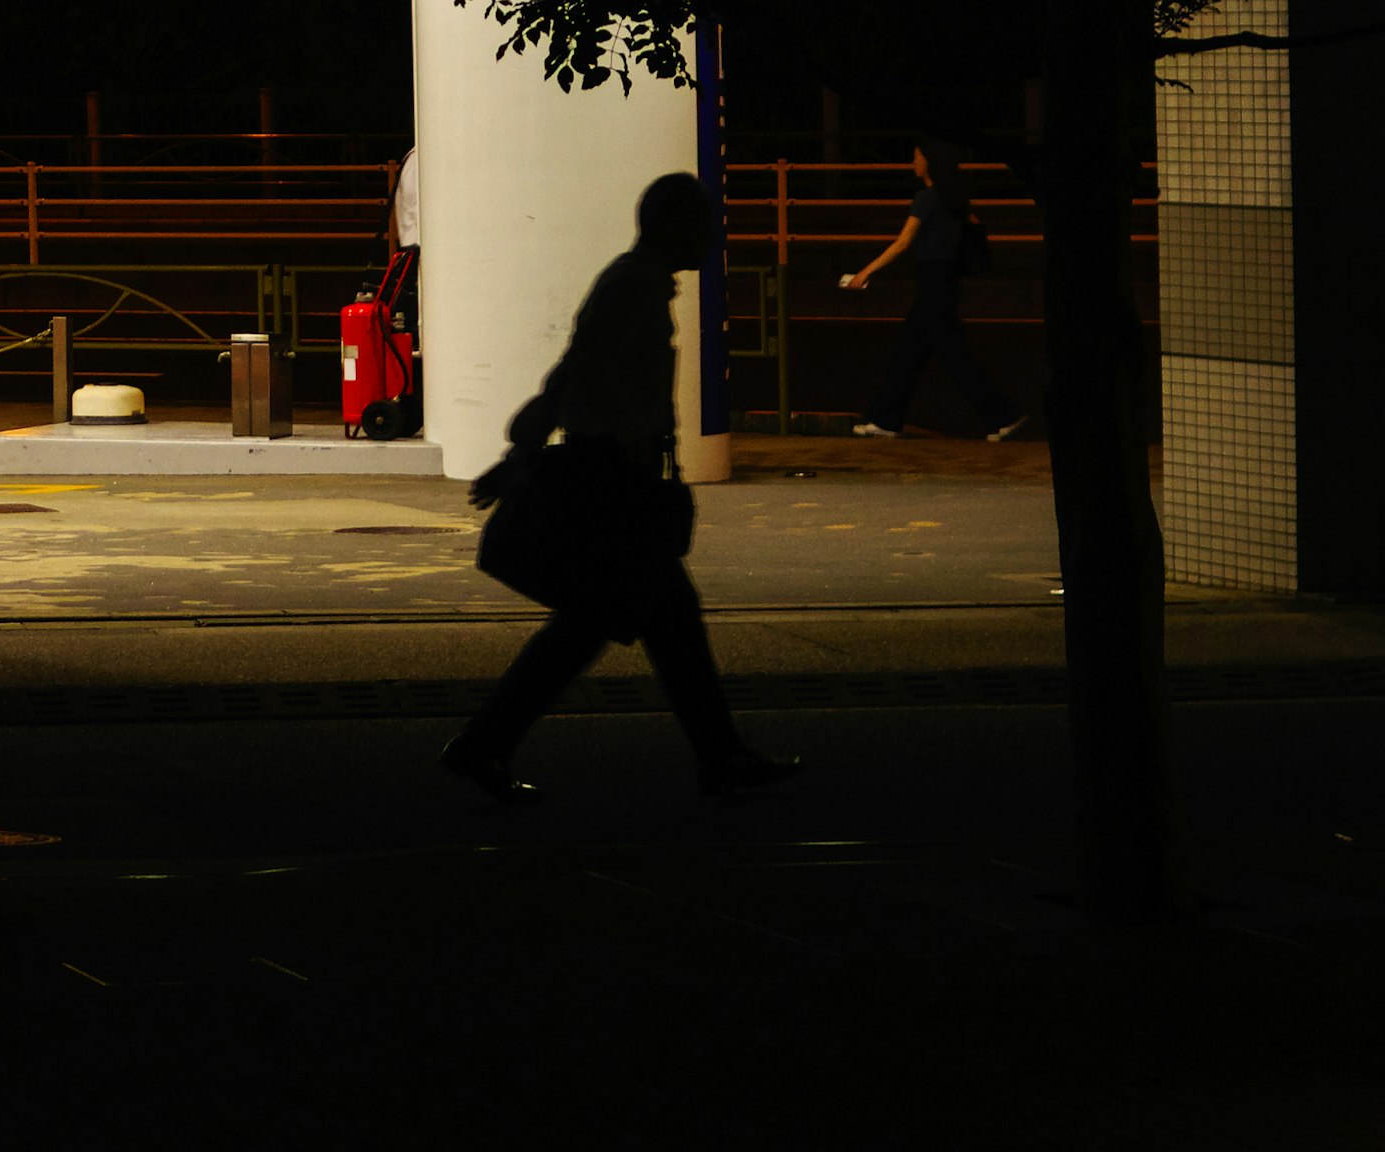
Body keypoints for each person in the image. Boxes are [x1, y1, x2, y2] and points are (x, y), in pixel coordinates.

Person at [439, 173, 804, 804]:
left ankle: (484, 746)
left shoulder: (637, 285)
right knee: (640, 624)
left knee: (612, 626)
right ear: (674, 227)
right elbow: (579, 370)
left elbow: (578, 371)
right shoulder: (631, 287)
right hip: (609, 485)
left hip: (616, 480)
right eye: (706, 224)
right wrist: (521, 451)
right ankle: (717, 757)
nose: (716, 237)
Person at [839, 138, 1026, 440]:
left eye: (916, 156)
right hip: (945, 281)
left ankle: (1005, 415)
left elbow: (903, 243)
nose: (912, 163)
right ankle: (886, 419)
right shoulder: (954, 197)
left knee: (947, 358)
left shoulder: (926, 198)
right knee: (910, 355)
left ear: (928, 161)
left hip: (932, 284)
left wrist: (864, 273)